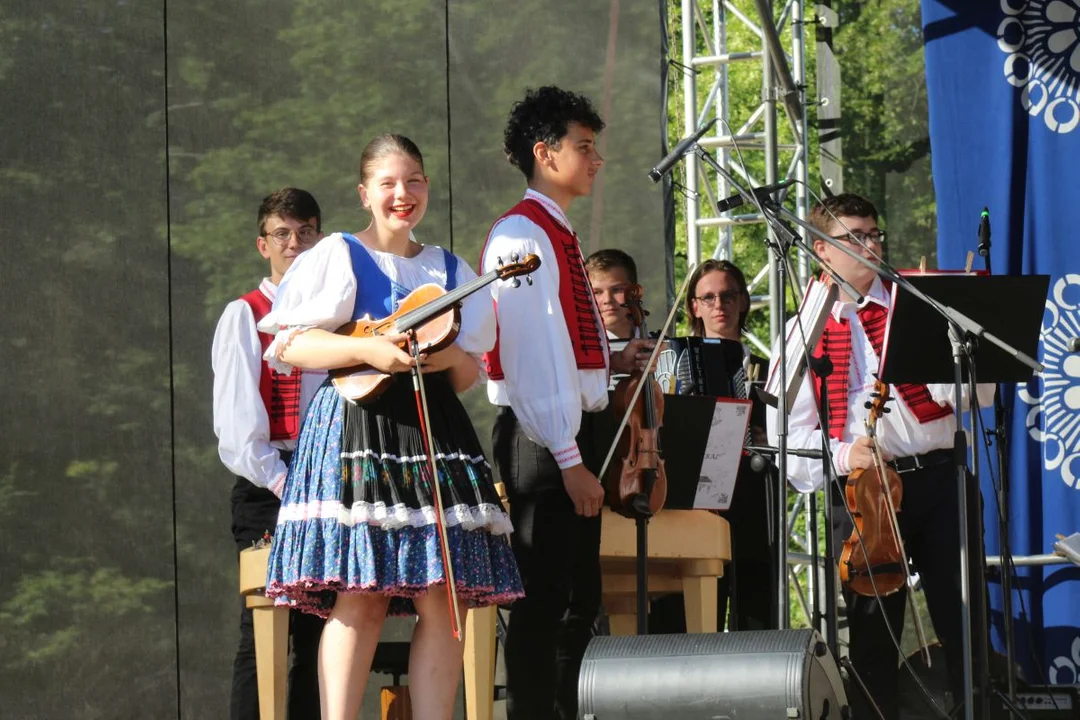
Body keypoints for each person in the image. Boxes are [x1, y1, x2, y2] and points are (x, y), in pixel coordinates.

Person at [258, 135, 524, 720]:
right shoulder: (336, 254)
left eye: (414, 181)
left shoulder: (449, 269)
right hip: (360, 425)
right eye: (388, 183)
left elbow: (466, 374)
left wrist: (440, 356)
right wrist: (376, 350)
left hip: (433, 430)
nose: (403, 194)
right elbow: (291, 344)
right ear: (365, 193)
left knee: (443, 594)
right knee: (362, 594)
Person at [766, 193, 995, 719]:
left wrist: (953, 352)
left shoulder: (920, 304)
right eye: (856, 237)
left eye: (875, 234)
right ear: (823, 251)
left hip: (938, 478)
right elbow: (786, 437)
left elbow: (974, 398)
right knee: (873, 632)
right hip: (864, 492)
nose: (872, 245)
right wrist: (847, 453)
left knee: (965, 622)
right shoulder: (805, 328)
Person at [481, 86, 652, 720]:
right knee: (542, 602)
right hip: (542, 439)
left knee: (577, 601)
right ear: (545, 153)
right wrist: (567, 453)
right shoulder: (521, 235)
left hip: (567, 432)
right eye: (584, 147)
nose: (596, 159)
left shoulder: (556, 230)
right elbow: (527, 359)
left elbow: (561, 344)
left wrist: (607, 364)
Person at [212, 187, 327, 720]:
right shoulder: (245, 314)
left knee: (321, 629)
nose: (295, 243)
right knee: (261, 627)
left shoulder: (334, 320)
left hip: (327, 485)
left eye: (305, 232)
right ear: (264, 245)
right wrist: (286, 482)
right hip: (269, 487)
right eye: (283, 233)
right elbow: (237, 431)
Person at [647, 258, 778, 634]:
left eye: (727, 296)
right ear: (694, 306)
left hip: (750, 487)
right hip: (691, 491)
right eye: (708, 297)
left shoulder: (768, 369)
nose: (718, 305)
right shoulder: (671, 363)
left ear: (742, 302)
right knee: (687, 596)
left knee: (754, 589)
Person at [586, 248, 639, 341]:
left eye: (616, 290)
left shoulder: (661, 347)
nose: (608, 300)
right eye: (596, 292)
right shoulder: (574, 352)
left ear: (635, 291)